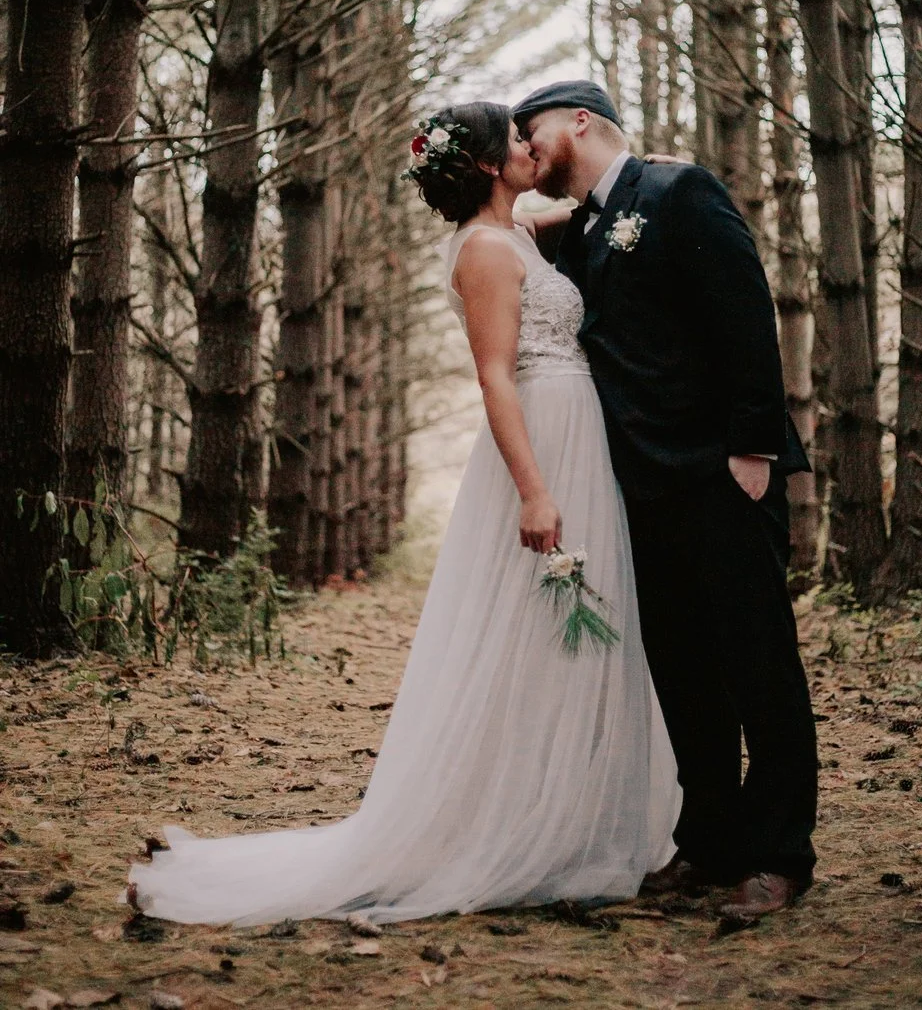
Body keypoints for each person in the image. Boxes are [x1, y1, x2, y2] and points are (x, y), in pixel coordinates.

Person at [128, 102, 679, 926]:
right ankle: (532, 826)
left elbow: (584, 207)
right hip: (543, 438)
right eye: (516, 140)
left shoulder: (514, 231)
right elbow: (495, 376)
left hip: (579, 434)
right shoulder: (485, 250)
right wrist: (534, 490)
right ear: (488, 164)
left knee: (576, 625)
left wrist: (640, 175)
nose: (531, 148)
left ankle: (577, 809)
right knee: (539, 623)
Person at [512, 80, 817, 922]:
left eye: (532, 128)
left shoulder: (679, 191)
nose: (524, 145)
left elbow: (745, 310)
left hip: (722, 473)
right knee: (683, 675)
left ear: (581, 119)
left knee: (758, 668)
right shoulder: (583, 228)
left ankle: (780, 855)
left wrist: (753, 447)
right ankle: (710, 842)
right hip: (638, 489)